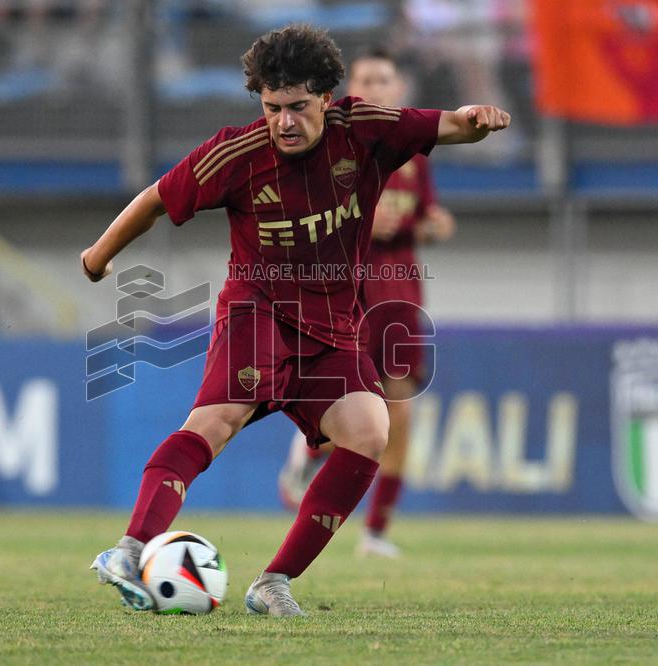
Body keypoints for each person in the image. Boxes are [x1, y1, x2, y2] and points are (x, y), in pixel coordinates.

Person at [81, 24, 509, 617]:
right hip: (259, 311)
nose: (285, 121)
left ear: (327, 100)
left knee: (369, 431)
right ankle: (129, 550)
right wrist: (98, 256)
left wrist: (477, 118)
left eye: (298, 107)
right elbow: (157, 198)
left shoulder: (365, 130)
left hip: (334, 327)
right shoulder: (236, 153)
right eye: (273, 107)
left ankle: (273, 583)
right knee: (216, 421)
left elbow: (449, 124)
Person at [277, 46, 455, 559]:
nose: (376, 89)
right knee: (352, 414)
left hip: (401, 297)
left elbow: (426, 215)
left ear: (399, 90)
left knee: (401, 415)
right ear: (349, 93)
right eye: (366, 81)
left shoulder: (413, 154)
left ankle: (376, 531)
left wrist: (435, 225)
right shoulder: (331, 148)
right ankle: (310, 451)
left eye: (384, 80)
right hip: (348, 297)